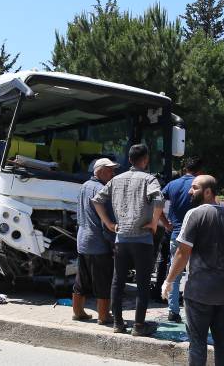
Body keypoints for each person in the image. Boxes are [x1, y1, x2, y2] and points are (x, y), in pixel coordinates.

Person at [162, 175, 224, 366]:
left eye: (194, 188)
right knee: (223, 342)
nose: (190, 191)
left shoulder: (195, 214)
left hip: (199, 292)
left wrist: (169, 281)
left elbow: (182, 253)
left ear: (207, 192)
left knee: (197, 343)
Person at [92, 144, 164, 336]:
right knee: (142, 284)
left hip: (121, 238)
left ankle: (118, 323)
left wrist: (108, 223)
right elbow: (159, 199)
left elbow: (97, 200)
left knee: (118, 282)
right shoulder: (149, 179)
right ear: (145, 159)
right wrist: (154, 223)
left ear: (130, 159)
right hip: (142, 240)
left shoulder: (116, 180)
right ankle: (139, 326)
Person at [72, 158, 119, 324]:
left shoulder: (84, 186)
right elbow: (106, 223)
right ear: (100, 171)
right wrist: (113, 243)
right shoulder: (102, 190)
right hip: (98, 243)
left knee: (82, 279)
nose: (113, 174)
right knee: (103, 281)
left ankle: (78, 312)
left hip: (83, 240)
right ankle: (104, 316)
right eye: (110, 170)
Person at [160, 156, 204, 323]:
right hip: (197, 236)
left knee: (174, 273)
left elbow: (157, 202)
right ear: (200, 170)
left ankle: (173, 311)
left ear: (185, 168)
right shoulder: (200, 185)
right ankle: (193, 311)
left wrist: (165, 222)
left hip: (176, 234)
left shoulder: (173, 184)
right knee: (195, 274)